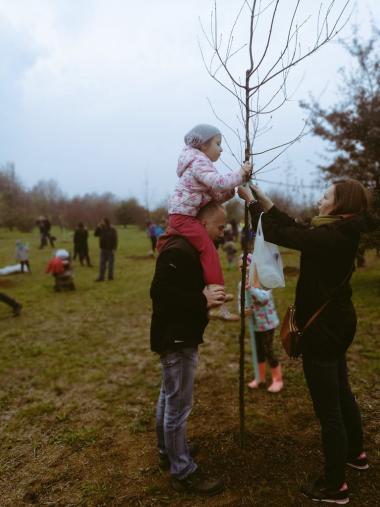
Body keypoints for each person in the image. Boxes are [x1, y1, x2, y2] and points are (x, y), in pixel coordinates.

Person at [239, 178, 372, 505]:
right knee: (341, 392)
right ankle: (357, 453)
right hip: (337, 323)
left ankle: (335, 485)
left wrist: (251, 205)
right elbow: (294, 227)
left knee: (329, 410)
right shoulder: (337, 230)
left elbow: (282, 234)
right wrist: (263, 199)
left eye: (326, 197)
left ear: (340, 205)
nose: (319, 202)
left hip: (323, 330)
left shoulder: (333, 236)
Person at [150, 202, 227, 496]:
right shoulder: (179, 251)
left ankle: (167, 451)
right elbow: (161, 295)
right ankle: (182, 470)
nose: (223, 232)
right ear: (203, 225)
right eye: (220, 227)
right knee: (178, 407)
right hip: (176, 341)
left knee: (169, 398)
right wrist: (202, 299)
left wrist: (209, 298)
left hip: (179, 337)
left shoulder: (190, 250)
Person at [167, 123, 252, 321]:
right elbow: (219, 182)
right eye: (218, 143)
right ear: (204, 145)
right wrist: (240, 174)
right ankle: (216, 302)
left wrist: (232, 191)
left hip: (185, 215)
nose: (221, 148)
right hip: (184, 217)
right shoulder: (199, 161)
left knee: (206, 252)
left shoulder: (198, 162)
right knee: (209, 251)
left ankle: (215, 297)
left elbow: (214, 196)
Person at [239, 253, 283, 393]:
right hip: (255, 324)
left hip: (267, 323)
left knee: (268, 350)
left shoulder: (263, 281)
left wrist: (250, 289)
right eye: (240, 267)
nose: (243, 269)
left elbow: (264, 299)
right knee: (258, 351)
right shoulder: (242, 284)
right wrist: (243, 310)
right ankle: (260, 378)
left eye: (246, 266)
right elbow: (241, 301)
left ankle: (278, 379)